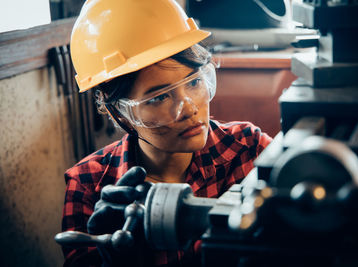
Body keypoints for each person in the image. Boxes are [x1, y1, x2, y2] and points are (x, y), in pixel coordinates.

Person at [61, 0, 272, 266]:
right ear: (117, 112)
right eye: (159, 98)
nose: (189, 109)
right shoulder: (88, 185)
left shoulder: (247, 150)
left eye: (194, 82)